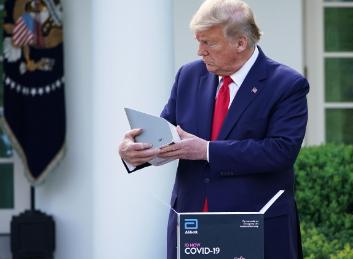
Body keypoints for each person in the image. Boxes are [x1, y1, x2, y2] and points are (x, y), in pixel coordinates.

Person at [118, 0, 309, 258]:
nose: (200, 51)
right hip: (192, 226)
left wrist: (207, 151)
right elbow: (167, 135)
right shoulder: (188, 76)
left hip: (254, 226)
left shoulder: (286, 84)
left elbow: (281, 151)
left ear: (241, 43)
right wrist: (134, 151)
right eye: (199, 41)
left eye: (209, 43)